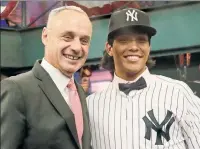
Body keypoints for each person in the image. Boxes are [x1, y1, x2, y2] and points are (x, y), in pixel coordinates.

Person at [86, 8, 200, 149]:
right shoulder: (90, 106)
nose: (134, 47)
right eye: (124, 40)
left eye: (141, 41)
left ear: (149, 47)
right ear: (109, 48)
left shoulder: (178, 93)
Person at [1, 6, 92, 149]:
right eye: (67, 37)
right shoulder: (16, 90)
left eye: (84, 40)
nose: (76, 47)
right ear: (45, 36)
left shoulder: (79, 91)